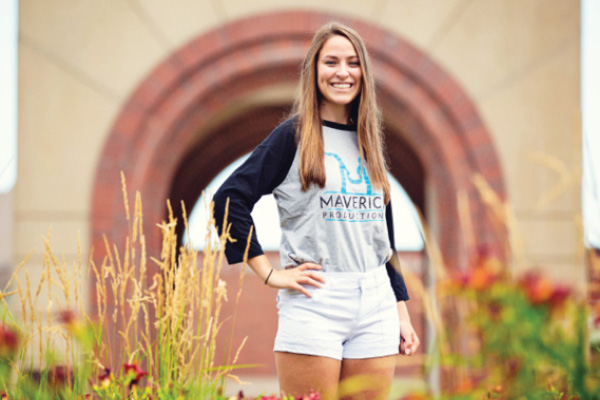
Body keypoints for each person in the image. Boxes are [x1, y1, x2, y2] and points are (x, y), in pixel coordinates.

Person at [213, 21, 420, 400]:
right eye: (332, 62)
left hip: (375, 301)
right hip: (315, 299)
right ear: (314, 71)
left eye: (353, 63)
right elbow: (229, 200)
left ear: (364, 73)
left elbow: (382, 236)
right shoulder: (294, 136)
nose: (343, 72)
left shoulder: (368, 139)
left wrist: (400, 310)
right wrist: (269, 274)